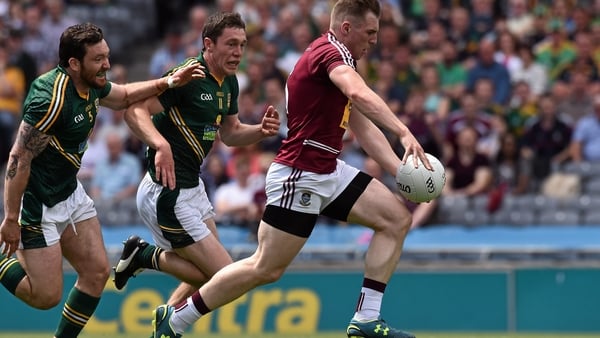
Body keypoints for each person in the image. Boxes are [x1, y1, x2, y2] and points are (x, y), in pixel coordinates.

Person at [149, 0, 432, 337]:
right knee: (265, 268)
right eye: (370, 32)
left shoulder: (341, 59)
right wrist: (403, 131)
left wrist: (399, 170)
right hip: (300, 174)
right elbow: (358, 91)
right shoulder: (330, 54)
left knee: (397, 219)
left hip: (326, 169)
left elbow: (362, 122)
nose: (374, 39)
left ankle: (366, 319)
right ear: (346, 29)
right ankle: (176, 318)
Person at [0, 22, 203, 338]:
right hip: (38, 204)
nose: (107, 64)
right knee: (45, 297)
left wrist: (169, 81)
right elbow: (18, 159)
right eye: (99, 59)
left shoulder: (91, 83)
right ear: (74, 64)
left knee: (96, 274)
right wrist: (11, 218)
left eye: (107, 56)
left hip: (70, 193)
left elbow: (122, 96)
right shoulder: (50, 99)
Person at [112, 11, 281, 310]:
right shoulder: (189, 75)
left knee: (206, 276)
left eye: (242, 44)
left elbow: (230, 133)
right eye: (230, 44)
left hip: (193, 188)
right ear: (208, 44)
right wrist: (160, 144)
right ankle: (143, 255)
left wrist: (260, 132)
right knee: (224, 276)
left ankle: (165, 322)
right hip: (167, 191)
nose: (238, 52)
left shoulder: (229, 83)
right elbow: (134, 111)